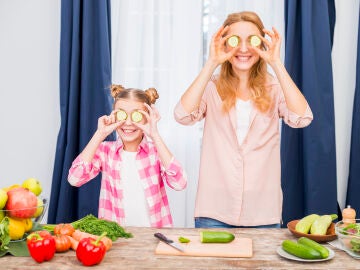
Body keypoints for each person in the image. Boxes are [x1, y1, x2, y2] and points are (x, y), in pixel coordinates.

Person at [174, 11, 313, 228]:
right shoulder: (211, 87)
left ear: (263, 45)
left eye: (253, 40)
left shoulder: (274, 88)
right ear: (225, 44)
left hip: (263, 212)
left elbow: (302, 117)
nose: (244, 48)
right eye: (235, 40)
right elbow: (182, 115)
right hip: (214, 210)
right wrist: (211, 63)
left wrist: (276, 63)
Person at [68, 85, 187, 227]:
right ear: (113, 116)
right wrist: (99, 134)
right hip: (118, 239)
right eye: (122, 115)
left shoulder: (156, 151)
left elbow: (180, 183)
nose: (129, 123)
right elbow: (74, 178)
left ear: (147, 118)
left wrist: (155, 135)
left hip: (154, 236)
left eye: (137, 115)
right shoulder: (105, 151)